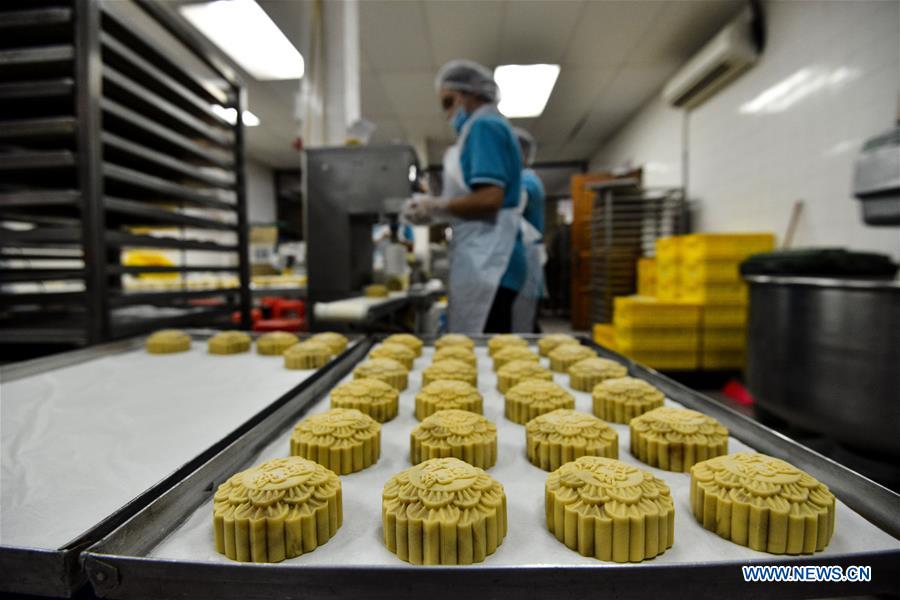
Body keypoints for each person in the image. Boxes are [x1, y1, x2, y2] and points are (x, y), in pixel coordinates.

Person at [401, 59, 525, 334]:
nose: (447, 114)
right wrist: (438, 210)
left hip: (492, 260)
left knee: (486, 350)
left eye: (449, 102)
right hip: (490, 255)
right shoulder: (486, 128)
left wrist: (436, 207)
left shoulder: (484, 127)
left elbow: (490, 198)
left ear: (472, 94)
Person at [511, 127, 546, 333]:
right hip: (521, 262)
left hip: (524, 262)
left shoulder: (526, 181)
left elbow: (508, 209)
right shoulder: (523, 179)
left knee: (520, 326)